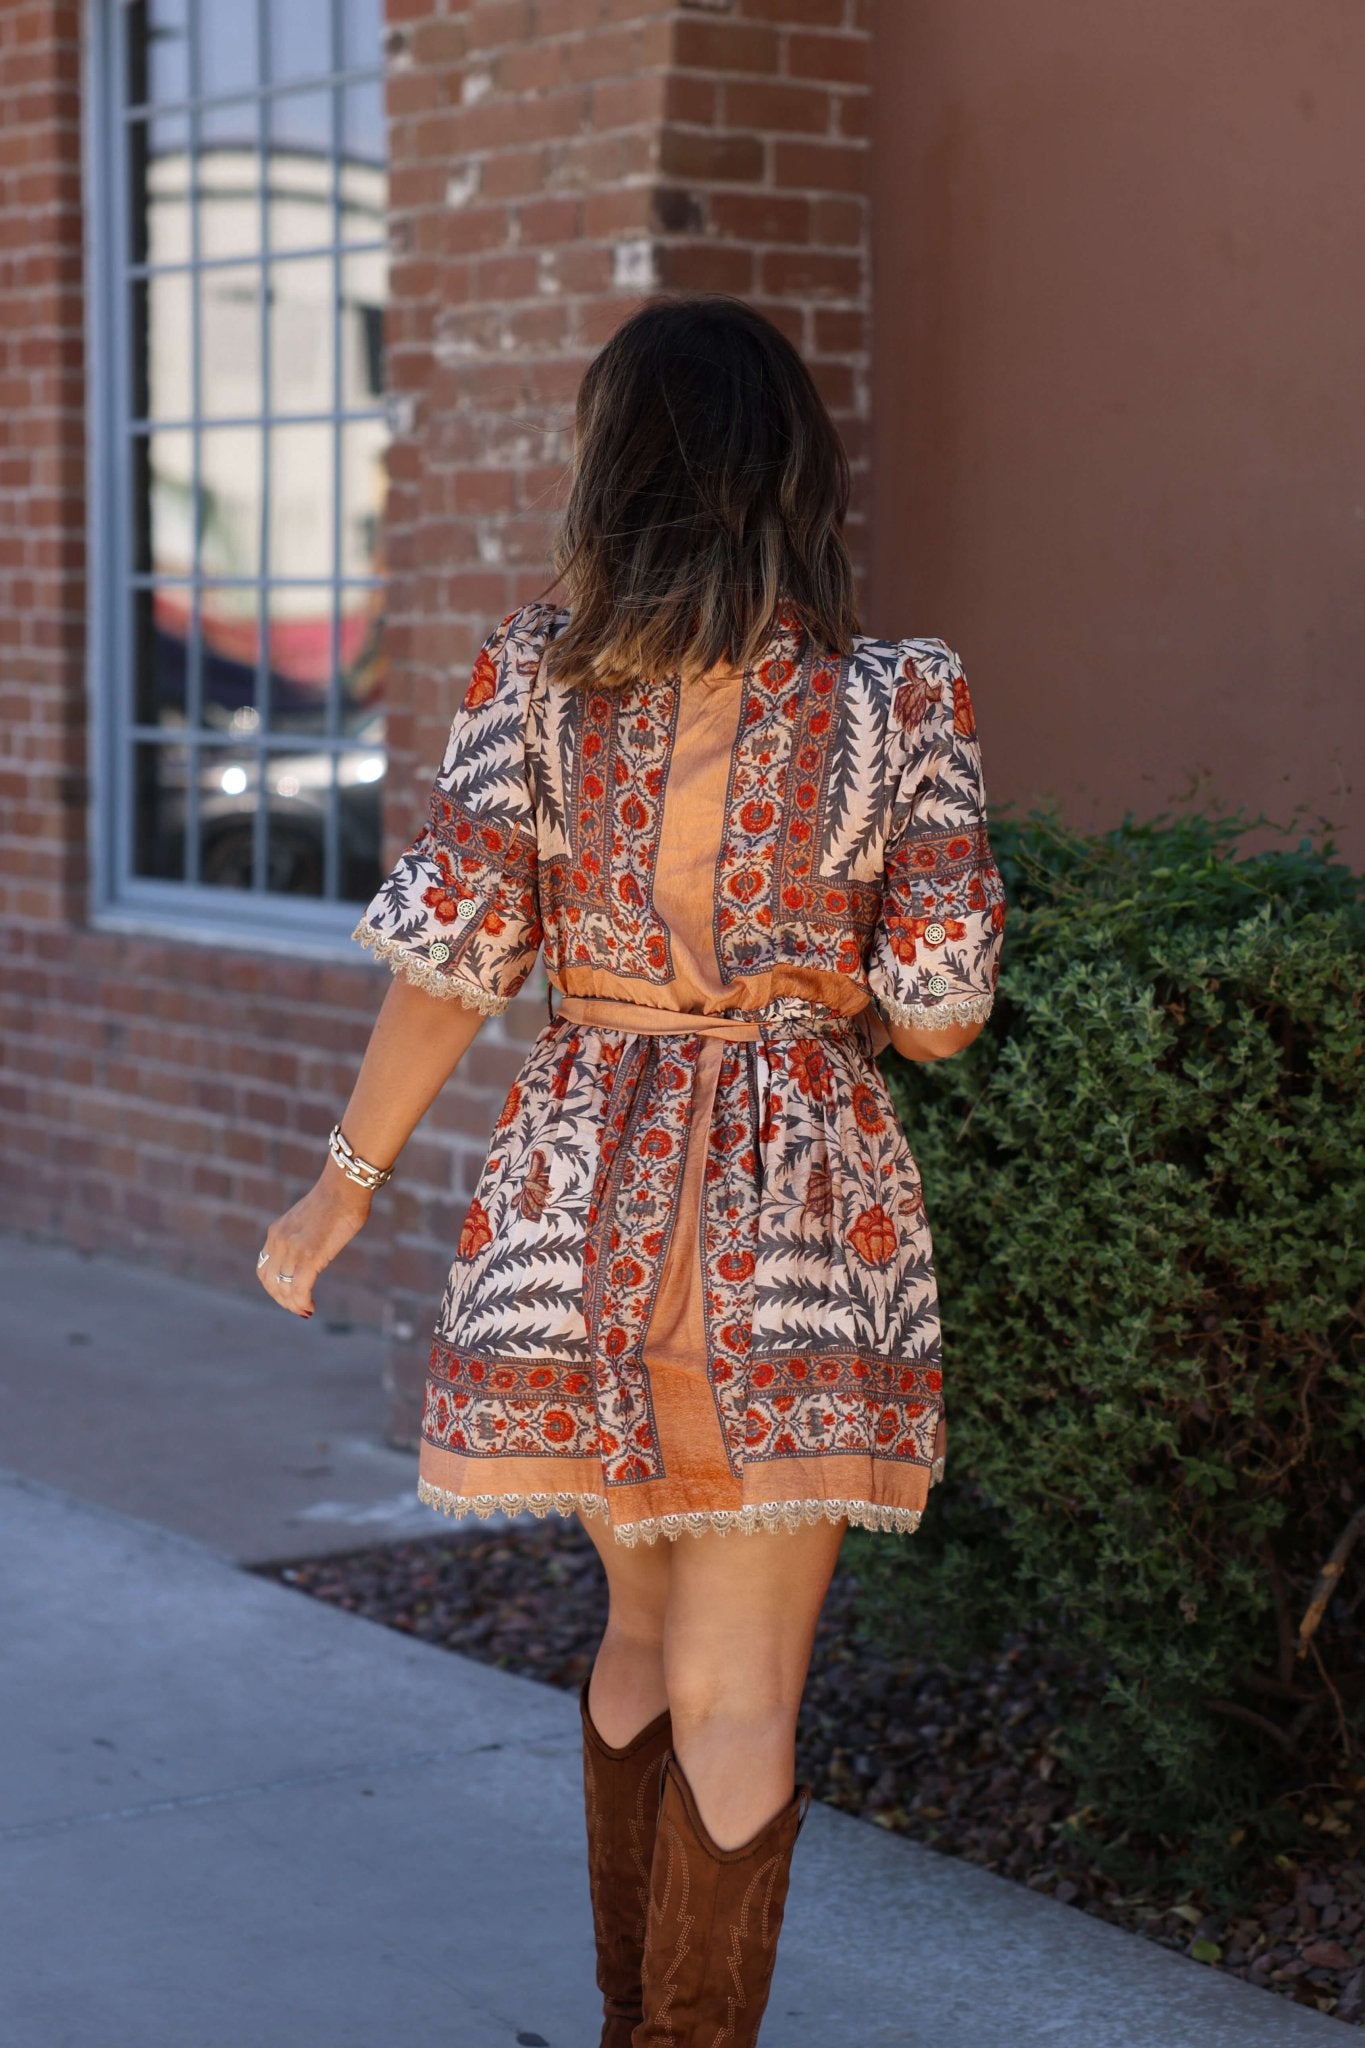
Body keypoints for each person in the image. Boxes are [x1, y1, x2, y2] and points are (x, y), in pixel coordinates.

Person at [256, 292, 1007, 2047]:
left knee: (641, 1624)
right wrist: (834, 997)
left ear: (613, 473)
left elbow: (450, 961)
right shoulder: (905, 703)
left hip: (575, 1210)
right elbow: (943, 1006)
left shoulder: (536, 678)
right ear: (791, 475)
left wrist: (340, 1185)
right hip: (793, 1233)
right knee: (740, 1689)